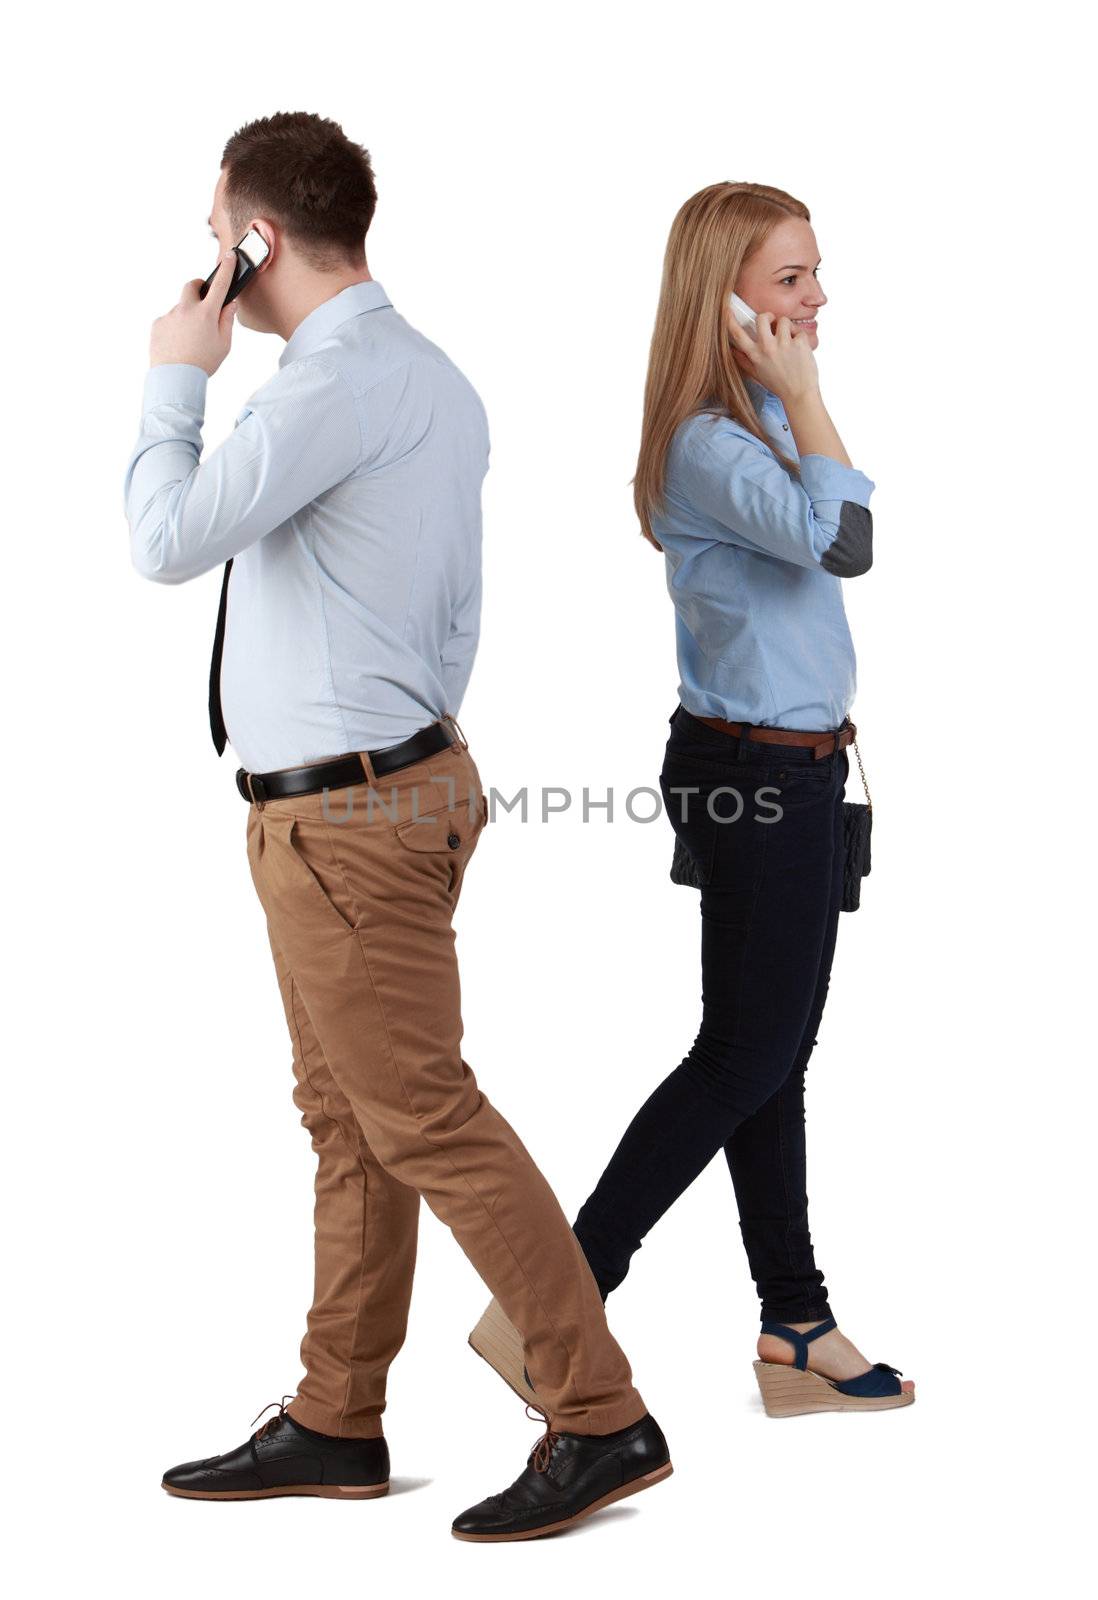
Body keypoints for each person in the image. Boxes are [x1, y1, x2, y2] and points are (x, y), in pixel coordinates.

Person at [123, 110, 671, 1539]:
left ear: (256, 241)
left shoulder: (329, 391)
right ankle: (335, 1416)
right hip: (377, 795)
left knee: (419, 1116)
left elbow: (166, 541)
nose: (208, 265)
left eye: (216, 237)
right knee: (354, 1121)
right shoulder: (418, 375)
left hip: (351, 822)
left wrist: (174, 381)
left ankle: (599, 1415)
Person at [470, 181, 915, 1417]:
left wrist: (798, 396)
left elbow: (834, 530)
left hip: (796, 770)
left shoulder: (763, 421)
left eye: (816, 274)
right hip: (755, 776)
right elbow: (847, 546)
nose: (816, 300)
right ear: (720, 298)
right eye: (789, 280)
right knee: (742, 1058)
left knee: (773, 1060)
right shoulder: (712, 444)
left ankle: (796, 1324)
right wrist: (815, 397)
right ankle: (553, 1301)